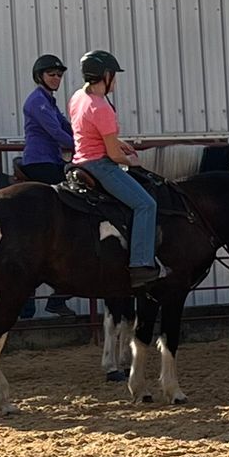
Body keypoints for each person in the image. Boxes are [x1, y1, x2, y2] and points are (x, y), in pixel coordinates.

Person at [69, 50, 161, 288]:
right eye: (114, 75)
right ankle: (141, 264)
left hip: (79, 161)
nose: (116, 81)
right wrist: (133, 162)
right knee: (146, 204)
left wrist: (119, 143)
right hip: (100, 165)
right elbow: (113, 155)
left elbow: (89, 133)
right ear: (106, 75)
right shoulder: (102, 108)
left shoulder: (78, 97)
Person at [20, 54, 76, 318]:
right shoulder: (37, 101)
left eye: (59, 75)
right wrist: (83, 147)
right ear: (40, 76)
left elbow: (67, 126)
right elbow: (56, 132)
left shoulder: (50, 102)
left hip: (52, 161)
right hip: (40, 162)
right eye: (51, 74)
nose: (56, 78)